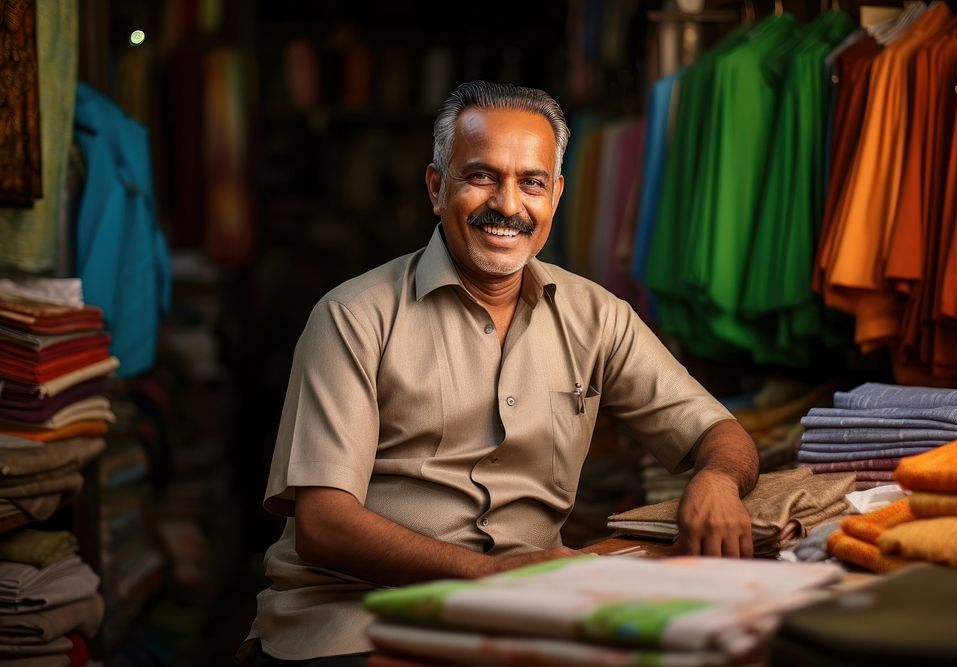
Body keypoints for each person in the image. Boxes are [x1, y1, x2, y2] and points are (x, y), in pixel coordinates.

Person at [241, 81, 758, 666]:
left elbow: (719, 433)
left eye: (531, 182)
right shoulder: (354, 318)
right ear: (438, 188)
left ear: (556, 196)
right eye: (482, 176)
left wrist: (715, 480)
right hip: (356, 617)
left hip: (527, 612)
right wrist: (489, 574)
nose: (509, 206)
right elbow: (324, 525)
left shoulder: (598, 316)